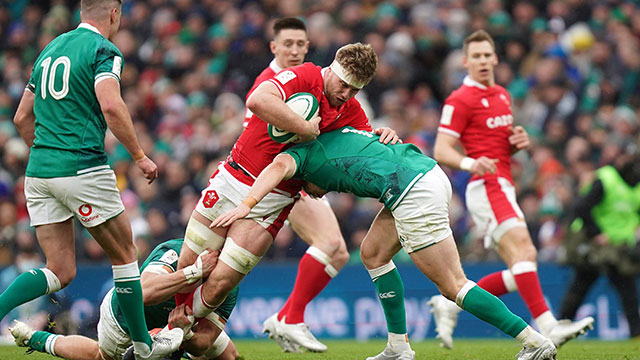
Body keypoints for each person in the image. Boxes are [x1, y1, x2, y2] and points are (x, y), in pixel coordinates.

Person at [212, 126, 558, 360]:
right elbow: (374, 136)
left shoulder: (295, 156)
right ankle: (398, 347)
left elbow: (275, 169)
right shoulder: (339, 133)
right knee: (373, 253)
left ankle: (534, 342)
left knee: (453, 285)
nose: (309, 195)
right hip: (421, 174)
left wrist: (245, 206)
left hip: (412, 191)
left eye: (304, 190)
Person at [174, 42, 398, 349]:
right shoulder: (304, 76)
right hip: (232, 177)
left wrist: (384, 138)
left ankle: (176, 330)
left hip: (275, 198)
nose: (347, 94)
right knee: (189, 266)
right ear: (332, 68)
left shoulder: (351, 111)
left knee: (220, 283)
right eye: (344, 85)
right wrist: (305, 128)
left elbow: (357, 150)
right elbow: (257, 100)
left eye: (355, 90)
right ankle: (167, 325)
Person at [7, 1, 184, 359]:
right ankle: (143, 346)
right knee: (124, 256)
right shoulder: (104, 49)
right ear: (114, 14)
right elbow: (111, 105)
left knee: (59, 269)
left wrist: (48, 156)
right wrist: (139, 156)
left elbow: (21, 117)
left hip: (40, 171)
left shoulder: (50, 48)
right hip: (82, 167)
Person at [431, 29, 594, 349]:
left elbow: (498, 146)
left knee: (520, 265)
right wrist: (470, 164)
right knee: (526, 250)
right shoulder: (460, 99)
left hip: (503, 183)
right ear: (465, 61)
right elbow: (441, 149)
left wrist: (516, 144)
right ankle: (548, 325)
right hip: (486, 185)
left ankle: (450, 303)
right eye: (474, 56)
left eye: (486, 54)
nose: (481, 60)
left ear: (494, 58)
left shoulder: (503, 95)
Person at [243, 17, 353, 353]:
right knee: (330, 241)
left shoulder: (310, 79)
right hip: (280, 178)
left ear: (308, 46)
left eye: (300, 44)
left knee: (341, 253)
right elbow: (261, 144)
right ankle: (290, 319)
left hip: (300, 174)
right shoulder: (268, 84)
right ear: (273, 47)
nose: (294, 50)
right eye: (287, 44)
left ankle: (287, 317)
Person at [9, 238, 240, 360]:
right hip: (126, 318)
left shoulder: (230, 283)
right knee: (100, 356)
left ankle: (174, 347)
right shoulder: (175, 251)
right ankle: (36, 338)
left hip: (179, 327)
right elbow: (145, 293)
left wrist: (184, 333)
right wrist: (193, 272)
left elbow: (205, 343)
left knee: (229, 355)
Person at [559, 152, 640, 338]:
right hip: (596, 245)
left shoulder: (636, 186)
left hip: (619, 248)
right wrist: (596, 233)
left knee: (627, 290)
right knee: (581, 286)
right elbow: (581, 207)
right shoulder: (606, 179)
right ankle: (561, 326)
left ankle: (636, 332)